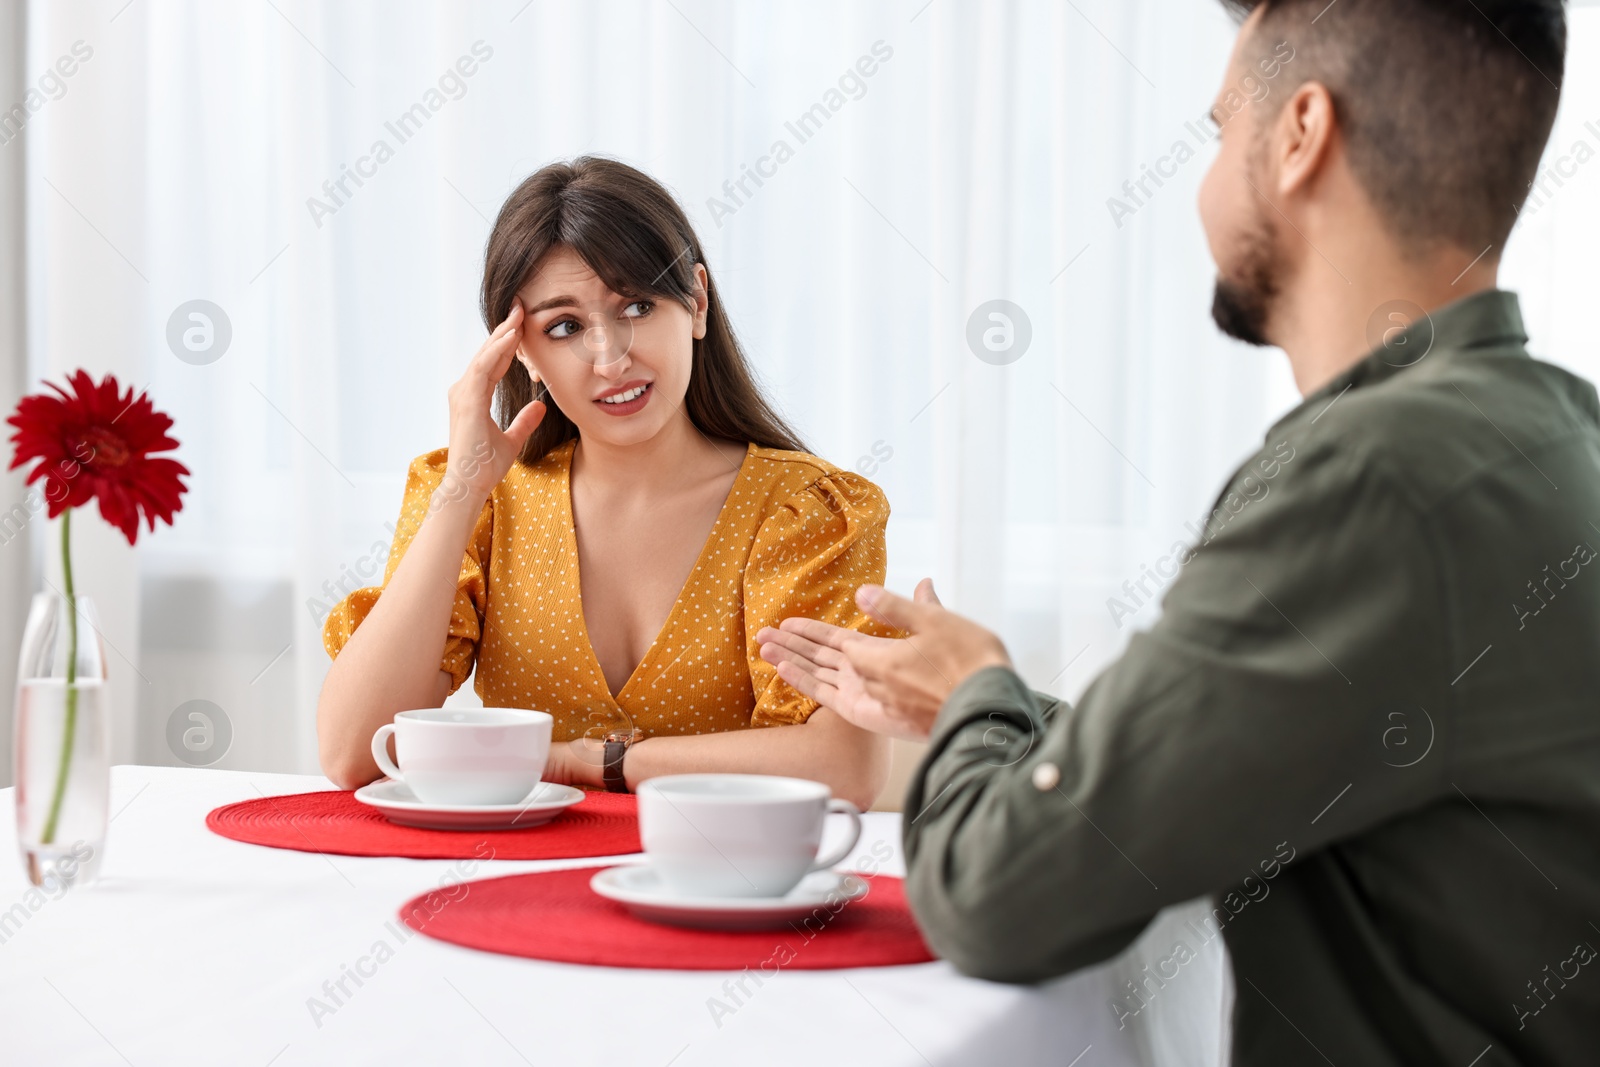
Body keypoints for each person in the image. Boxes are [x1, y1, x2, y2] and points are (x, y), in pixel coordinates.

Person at [760, 0, 1600, 1061]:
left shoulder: (1371, 479)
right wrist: (992, 703)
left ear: (1300, 135)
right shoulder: (1553, 430)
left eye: (1216, 132)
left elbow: (998, 895)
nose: (1203, 184)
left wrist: (978, 695)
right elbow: (1266, 749)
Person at [318, 157, 891, 808]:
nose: (612, 357)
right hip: (514, 887)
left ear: (696, 302)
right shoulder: (485, 501)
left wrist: (597, 763)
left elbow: (846, 764)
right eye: (564, 326)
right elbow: (351, 751)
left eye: (638, 305)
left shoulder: (803, 512)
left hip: (721, 887)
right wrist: (461, 493)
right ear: (521, 351)